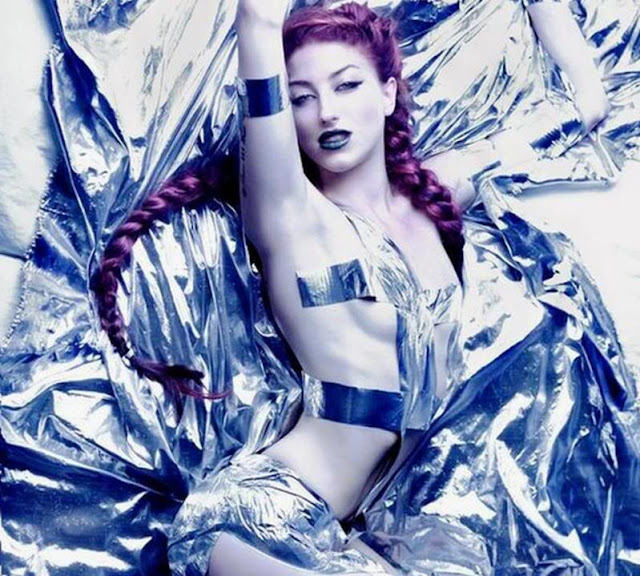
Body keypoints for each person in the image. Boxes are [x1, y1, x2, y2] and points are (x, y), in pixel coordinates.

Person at [88, 1, 614, 575]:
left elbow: (584, 106)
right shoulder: (291, 216)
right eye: (301, 97)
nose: (326, 112)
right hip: (256, 524)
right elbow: (257, 19)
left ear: (388, 94)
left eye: (346, 85)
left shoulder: (434, 195)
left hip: (352, 539)